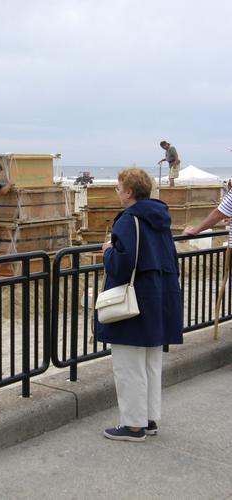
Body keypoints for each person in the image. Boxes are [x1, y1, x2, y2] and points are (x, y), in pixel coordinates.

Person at [97, 168, 183, 442]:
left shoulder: (127, 221)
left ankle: (133, 426)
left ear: (130, 192)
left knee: (129, 364)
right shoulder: (160, 219)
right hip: (159, 297)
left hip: (134, 302)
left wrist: (108, 251)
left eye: (119, 187)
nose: (117, 192)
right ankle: (148, 419)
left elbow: (122, 266)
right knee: (150, 363)